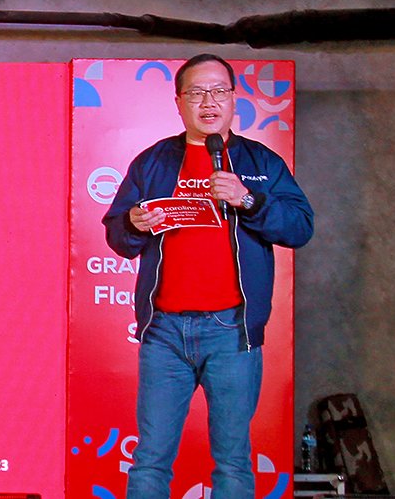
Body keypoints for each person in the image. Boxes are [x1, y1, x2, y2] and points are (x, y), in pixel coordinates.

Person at [102, 54, 314, 498]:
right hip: (164, 332)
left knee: (233, 461)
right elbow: (118, 237)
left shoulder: (261, 161)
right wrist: (133, 224)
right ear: (179, 102)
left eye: (219, 91)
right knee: (150, 459)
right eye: (196, 93)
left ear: (234, 99)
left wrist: (249, 200)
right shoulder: (153, 161)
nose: (208, 102)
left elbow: (299, 228)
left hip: (232, 331)